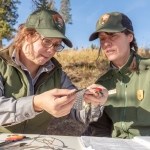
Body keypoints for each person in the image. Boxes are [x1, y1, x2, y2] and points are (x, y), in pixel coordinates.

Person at [0, 9, 108, 134]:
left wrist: (95, 102)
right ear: (27, 35)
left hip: (37, 144)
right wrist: (36, 103)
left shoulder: (57, 74)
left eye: (57, 45)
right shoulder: (2, 64)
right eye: (46, 41)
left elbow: (80, 111)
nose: (52, 50)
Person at [83, 11, 150, 139]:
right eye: (102, 38)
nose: (106, 43)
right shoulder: (103, 83)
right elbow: (100, 127)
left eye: (113, 35)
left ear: (129, 36)